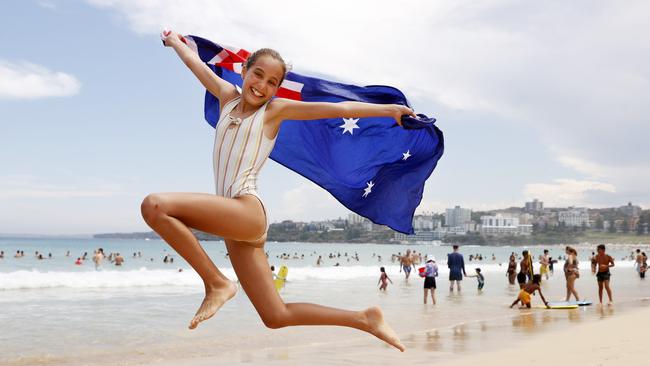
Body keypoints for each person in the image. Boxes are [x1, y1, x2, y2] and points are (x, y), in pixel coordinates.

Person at [140, 30, 413, 352]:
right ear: (244, 71)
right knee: (275, 315)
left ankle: (216, 283)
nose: (262, 86)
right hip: (237, 229)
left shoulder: (274, 111)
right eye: (258, 75)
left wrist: (387, 111)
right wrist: (175, 43)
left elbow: (336, 108)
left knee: (155, 206)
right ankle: (365, 319)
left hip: (246, 209)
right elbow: (194, 63)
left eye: (272, 82)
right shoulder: (226, 96)